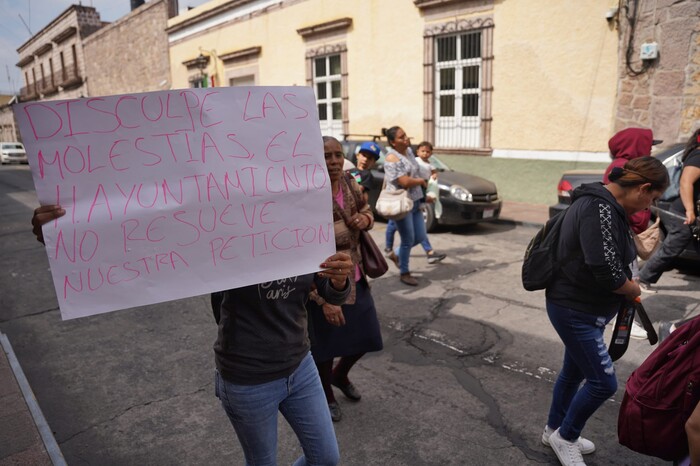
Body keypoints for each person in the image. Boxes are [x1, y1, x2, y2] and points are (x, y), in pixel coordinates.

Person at [31, 205, 354, 466]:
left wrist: (339, 283)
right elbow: (143, 245)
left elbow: (327, 288)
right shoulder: (222, 225)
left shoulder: (303, 221)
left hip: (300, 367)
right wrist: (66, 240)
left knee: (326, 458)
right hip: (248, 380)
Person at [542, 156, 669, 466]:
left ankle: (553, 430)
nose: (647, 208)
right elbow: (606, 271)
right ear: (642, 188)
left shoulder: (606, 205)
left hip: (583, 308)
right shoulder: (599, 207)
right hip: (575, 309)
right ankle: (566, 436)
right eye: (651, 200)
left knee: (573, 373)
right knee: (603, 383)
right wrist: (633, 289)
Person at [307, 136, 383, 422]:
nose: (334, 161)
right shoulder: (310, 195)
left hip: (357, 274)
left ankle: (341, 375)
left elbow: (367, 210)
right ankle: (326, 394)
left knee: (368, 337)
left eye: (338, 155)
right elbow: (304, 252)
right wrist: (324, 299)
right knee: (326, 347)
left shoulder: (351, 183)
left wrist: (365, 220)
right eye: (327, 156)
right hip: (324, 283)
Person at [603, 127, 661, 340]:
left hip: (626, 232)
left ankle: (623, 317)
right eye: (649, 145)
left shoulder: (625, 165)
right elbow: (623, 205)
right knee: (629, 279)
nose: (651, 150)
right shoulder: (624, 168)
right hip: (623, 233)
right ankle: (624, 320)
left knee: (628, 277)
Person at [639, 128, 700, 293]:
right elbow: (685, 182)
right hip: (683, 211)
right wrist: (689, 210)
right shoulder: (698, 156)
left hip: (688, 211)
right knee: (672, 246)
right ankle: (642, 278)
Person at [382, 127, 436, 286]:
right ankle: (404, 272)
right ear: (393, 142)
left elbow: (417, 171)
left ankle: (396, 254)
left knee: (420, 236)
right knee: (407, 240)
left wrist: (425, 192)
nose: (406, 138)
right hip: (401, 203)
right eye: (401, 137)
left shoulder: (410, 152)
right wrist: (420, 182)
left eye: (405, 135)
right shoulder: (392, 157)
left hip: (416, 201)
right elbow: (404, 181)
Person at [385, 140, 446, 265]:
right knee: (396, 229)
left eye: (428, 152)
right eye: (422, 151)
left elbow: (425, 179)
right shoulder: (352, 169)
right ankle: (391, 252)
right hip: (400, 201)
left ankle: (423, 254)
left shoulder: (413, 162)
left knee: (416, 232)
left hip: (412, 199)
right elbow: (405, 181)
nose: (425, 154)